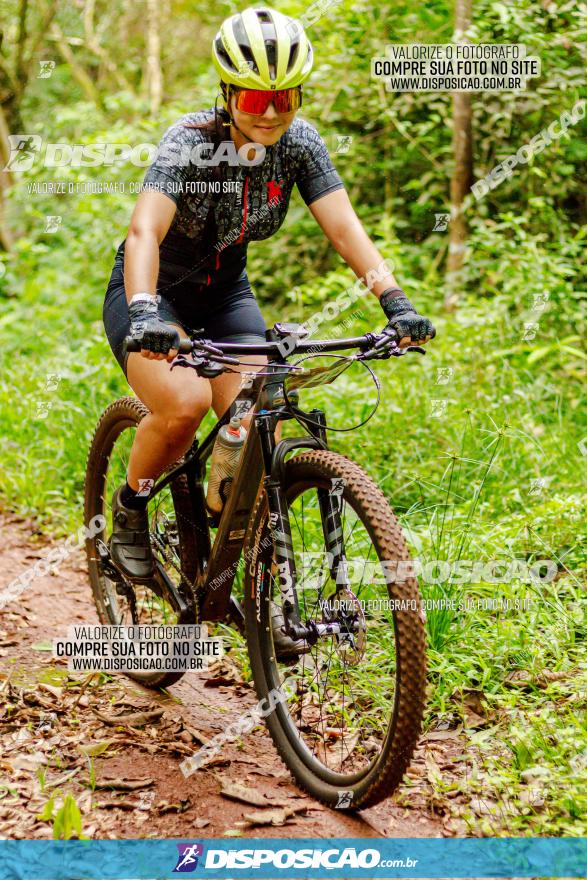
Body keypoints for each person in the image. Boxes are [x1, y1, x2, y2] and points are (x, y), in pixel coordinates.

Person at [102, 6, 435, 623]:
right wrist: (146, 309)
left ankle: (250, 584)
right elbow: (144, 230)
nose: (272, 111)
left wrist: (396, 302)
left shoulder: (299, 146)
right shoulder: (191, 140)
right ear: (229, 93)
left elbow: (345, 230)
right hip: (154, 292)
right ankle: (129, 506)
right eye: (257, 97)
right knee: (183, 404)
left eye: (285, 96)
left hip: (226, 295)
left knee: (260, 421)